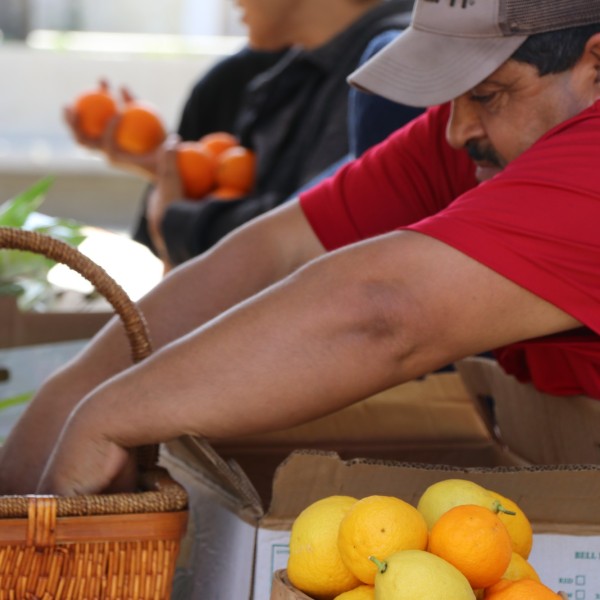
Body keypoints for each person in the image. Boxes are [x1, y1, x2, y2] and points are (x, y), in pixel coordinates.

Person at [2, 0, 600, 497]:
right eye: (453, 95)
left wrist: (112, 416)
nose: (454, 131)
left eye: (489, 94)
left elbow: (384, 313)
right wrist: (73, 402)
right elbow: (276, 253)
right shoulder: (483, 135)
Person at [66, 0, 417, 269]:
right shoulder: (262, 74)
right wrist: (169, 164)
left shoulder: (391, 65)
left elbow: (313, 231)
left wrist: (179, 221)